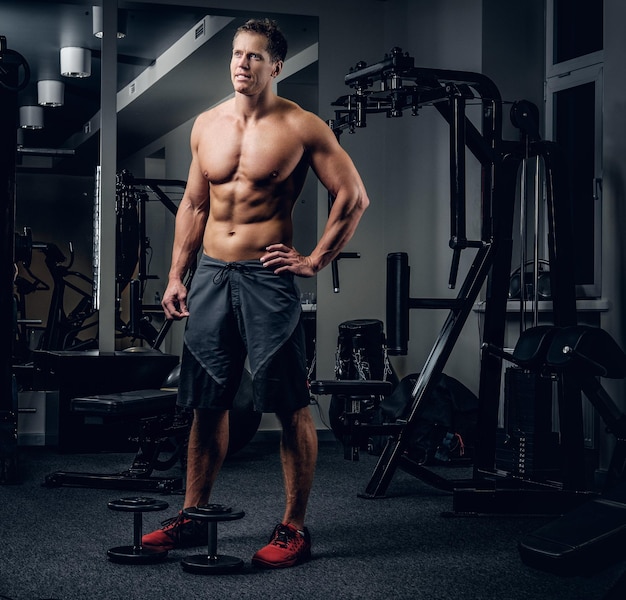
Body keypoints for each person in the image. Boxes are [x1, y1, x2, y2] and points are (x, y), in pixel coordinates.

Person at [142, 17, 369, 569]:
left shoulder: (303, 126)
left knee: (290, 405)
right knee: (205, 404)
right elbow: (195, 206)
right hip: (212, 276)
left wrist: (314, 260)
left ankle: (293, 527)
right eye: (237, 54)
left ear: (277, 66)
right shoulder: (206, 125)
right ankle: (193, 516)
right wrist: (177, 275)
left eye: (254, 56)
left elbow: (353, 196)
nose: (242, 64)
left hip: (269, 281)